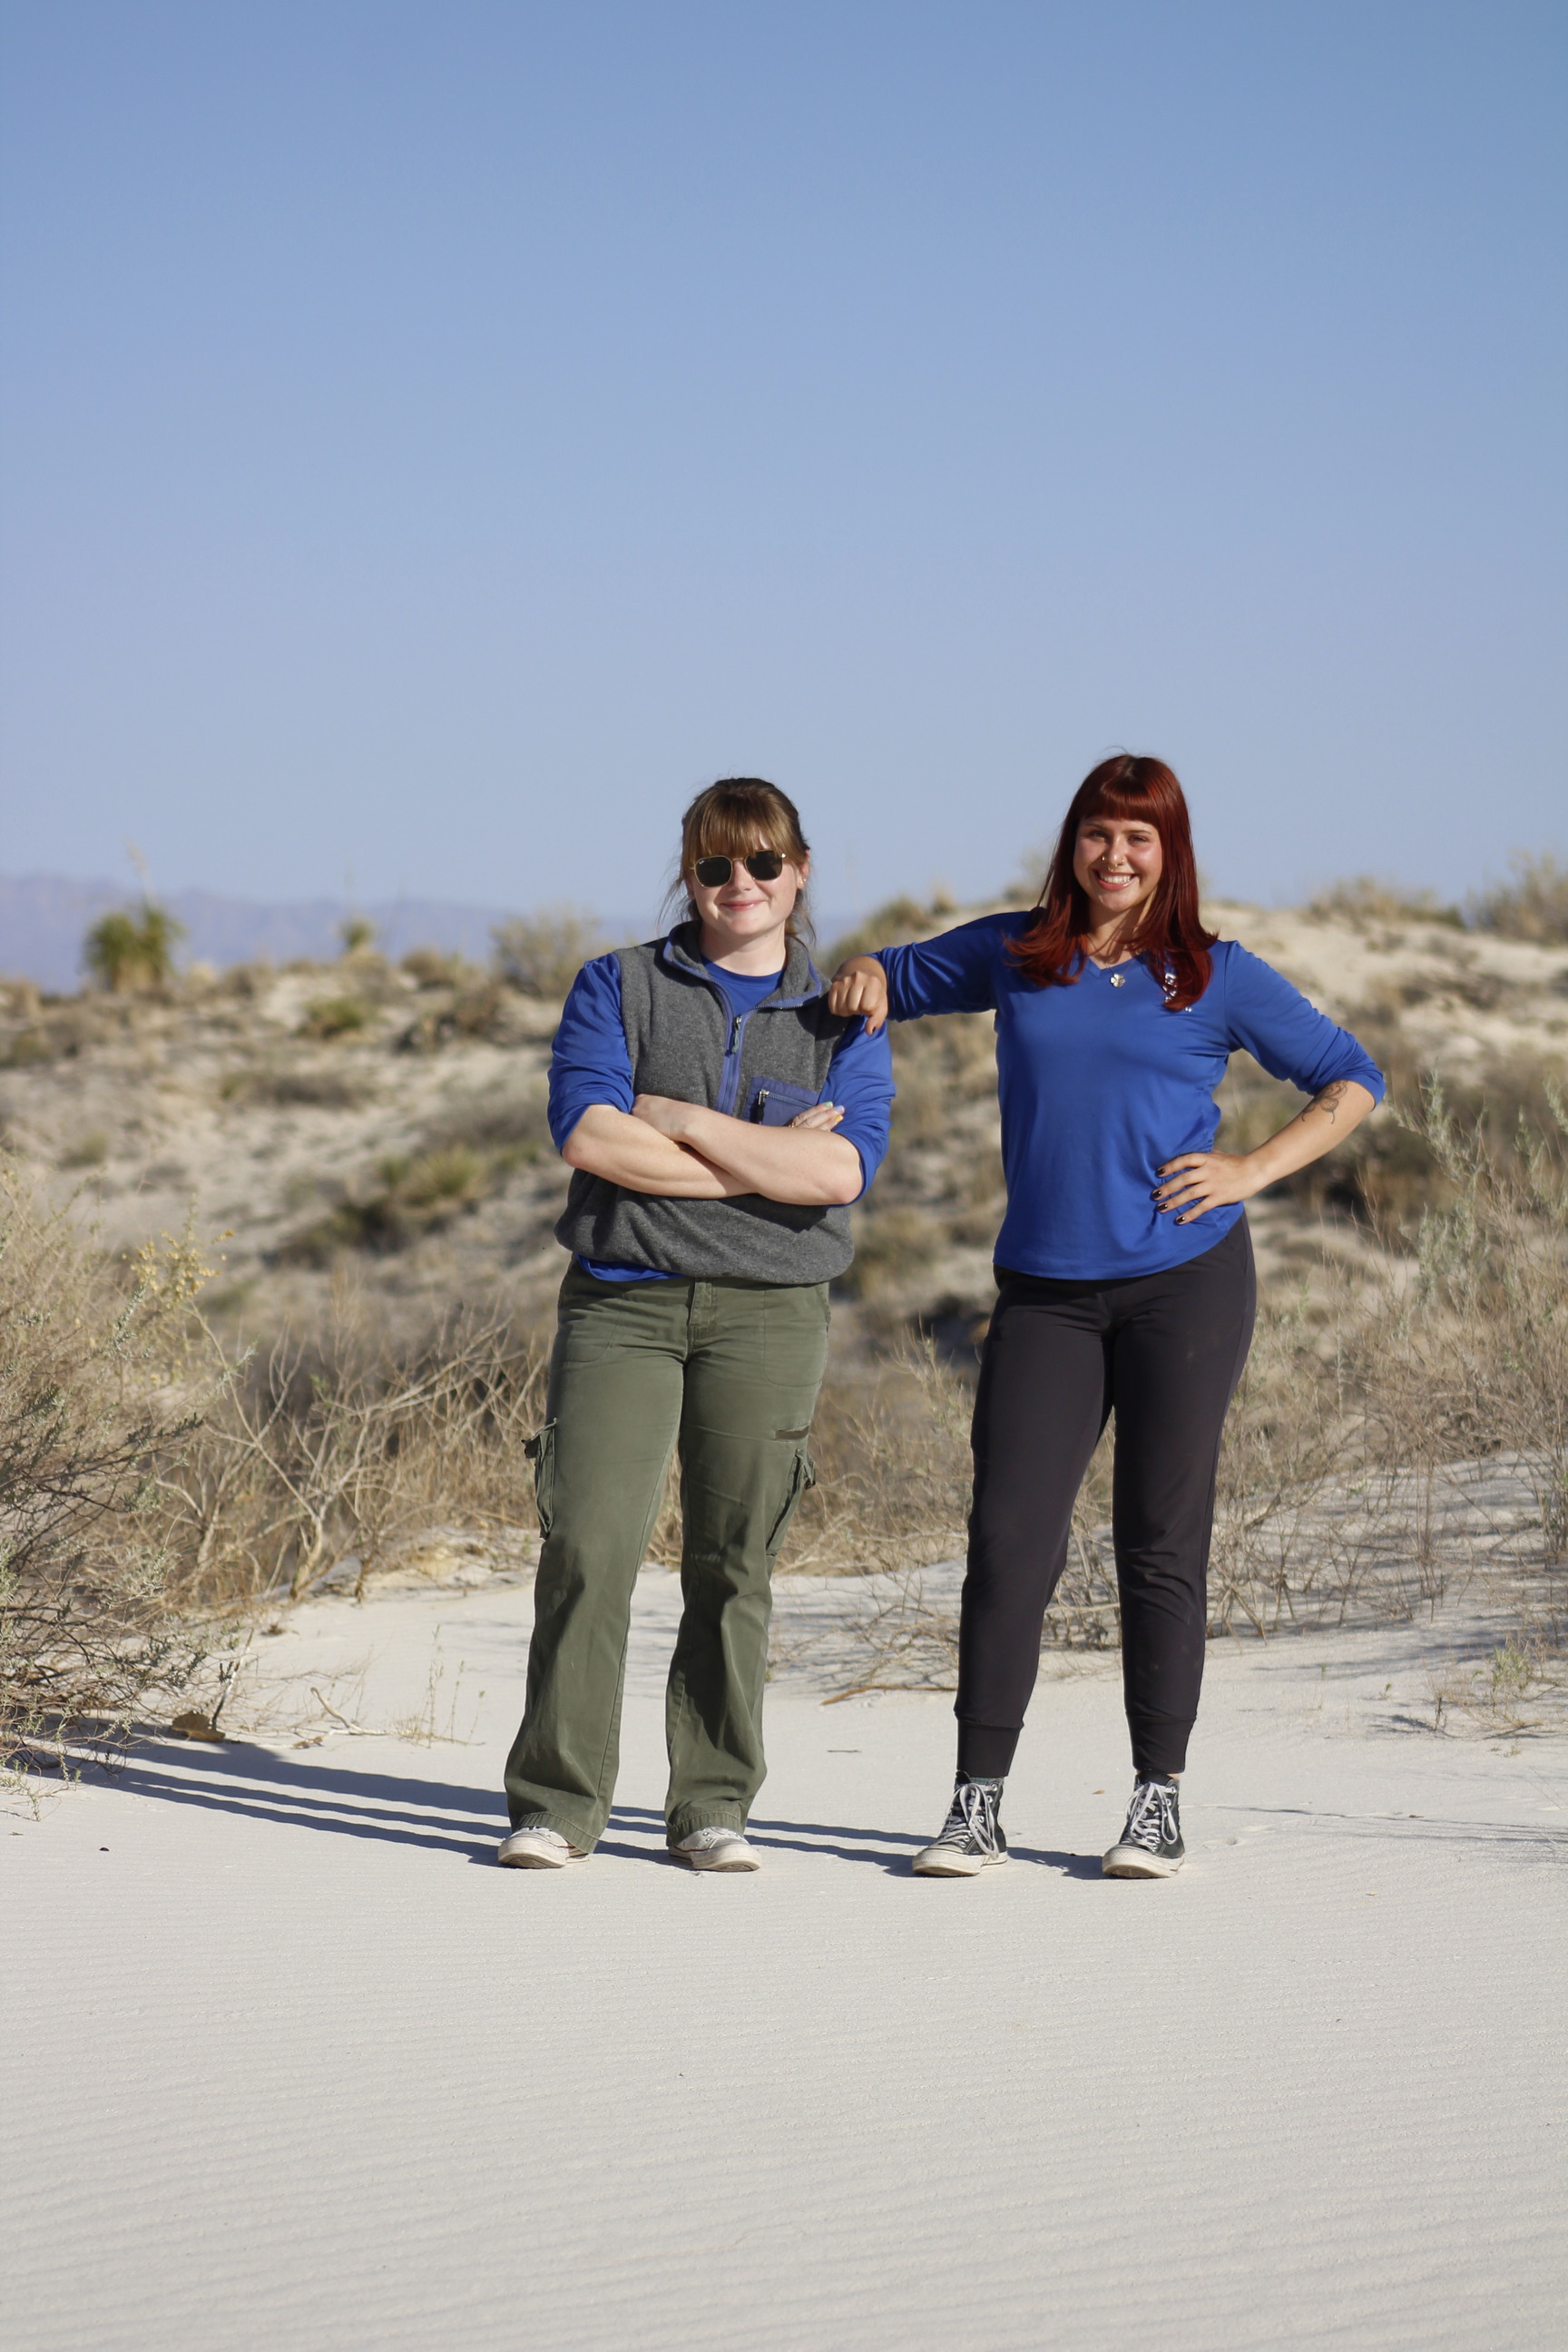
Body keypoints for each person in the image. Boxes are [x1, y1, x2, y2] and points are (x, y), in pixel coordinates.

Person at [828, 754, 1383, 1879]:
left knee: (1160, 1542)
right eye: (1098, 834)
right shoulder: (1017, 953)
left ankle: (1156, 1801)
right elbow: (885, 973)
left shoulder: (1213, 976)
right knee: (1008, 1538)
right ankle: (975, 1804)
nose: (1115, 856)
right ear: (1072, 842)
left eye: (1140, 838)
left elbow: (1351, 1077)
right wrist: (857, 976)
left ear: (1169, 852)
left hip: (1188, 1283)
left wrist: (1252, 1168)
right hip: (1045, 1291)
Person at [499, 778, 895, 1871]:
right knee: (589, 1543)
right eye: (716, 866)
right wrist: (754, 1167)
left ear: (799, 873)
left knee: (735, 1563)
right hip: (622, 1304)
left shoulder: (842, 1017)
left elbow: (842, 1168)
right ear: (690, 874)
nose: (739, 885)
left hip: (770, 1317)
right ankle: (558, 1804)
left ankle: (712, 1804)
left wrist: (675, 1122)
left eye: (763, 864)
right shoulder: (615, 985)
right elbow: (589, 1135)